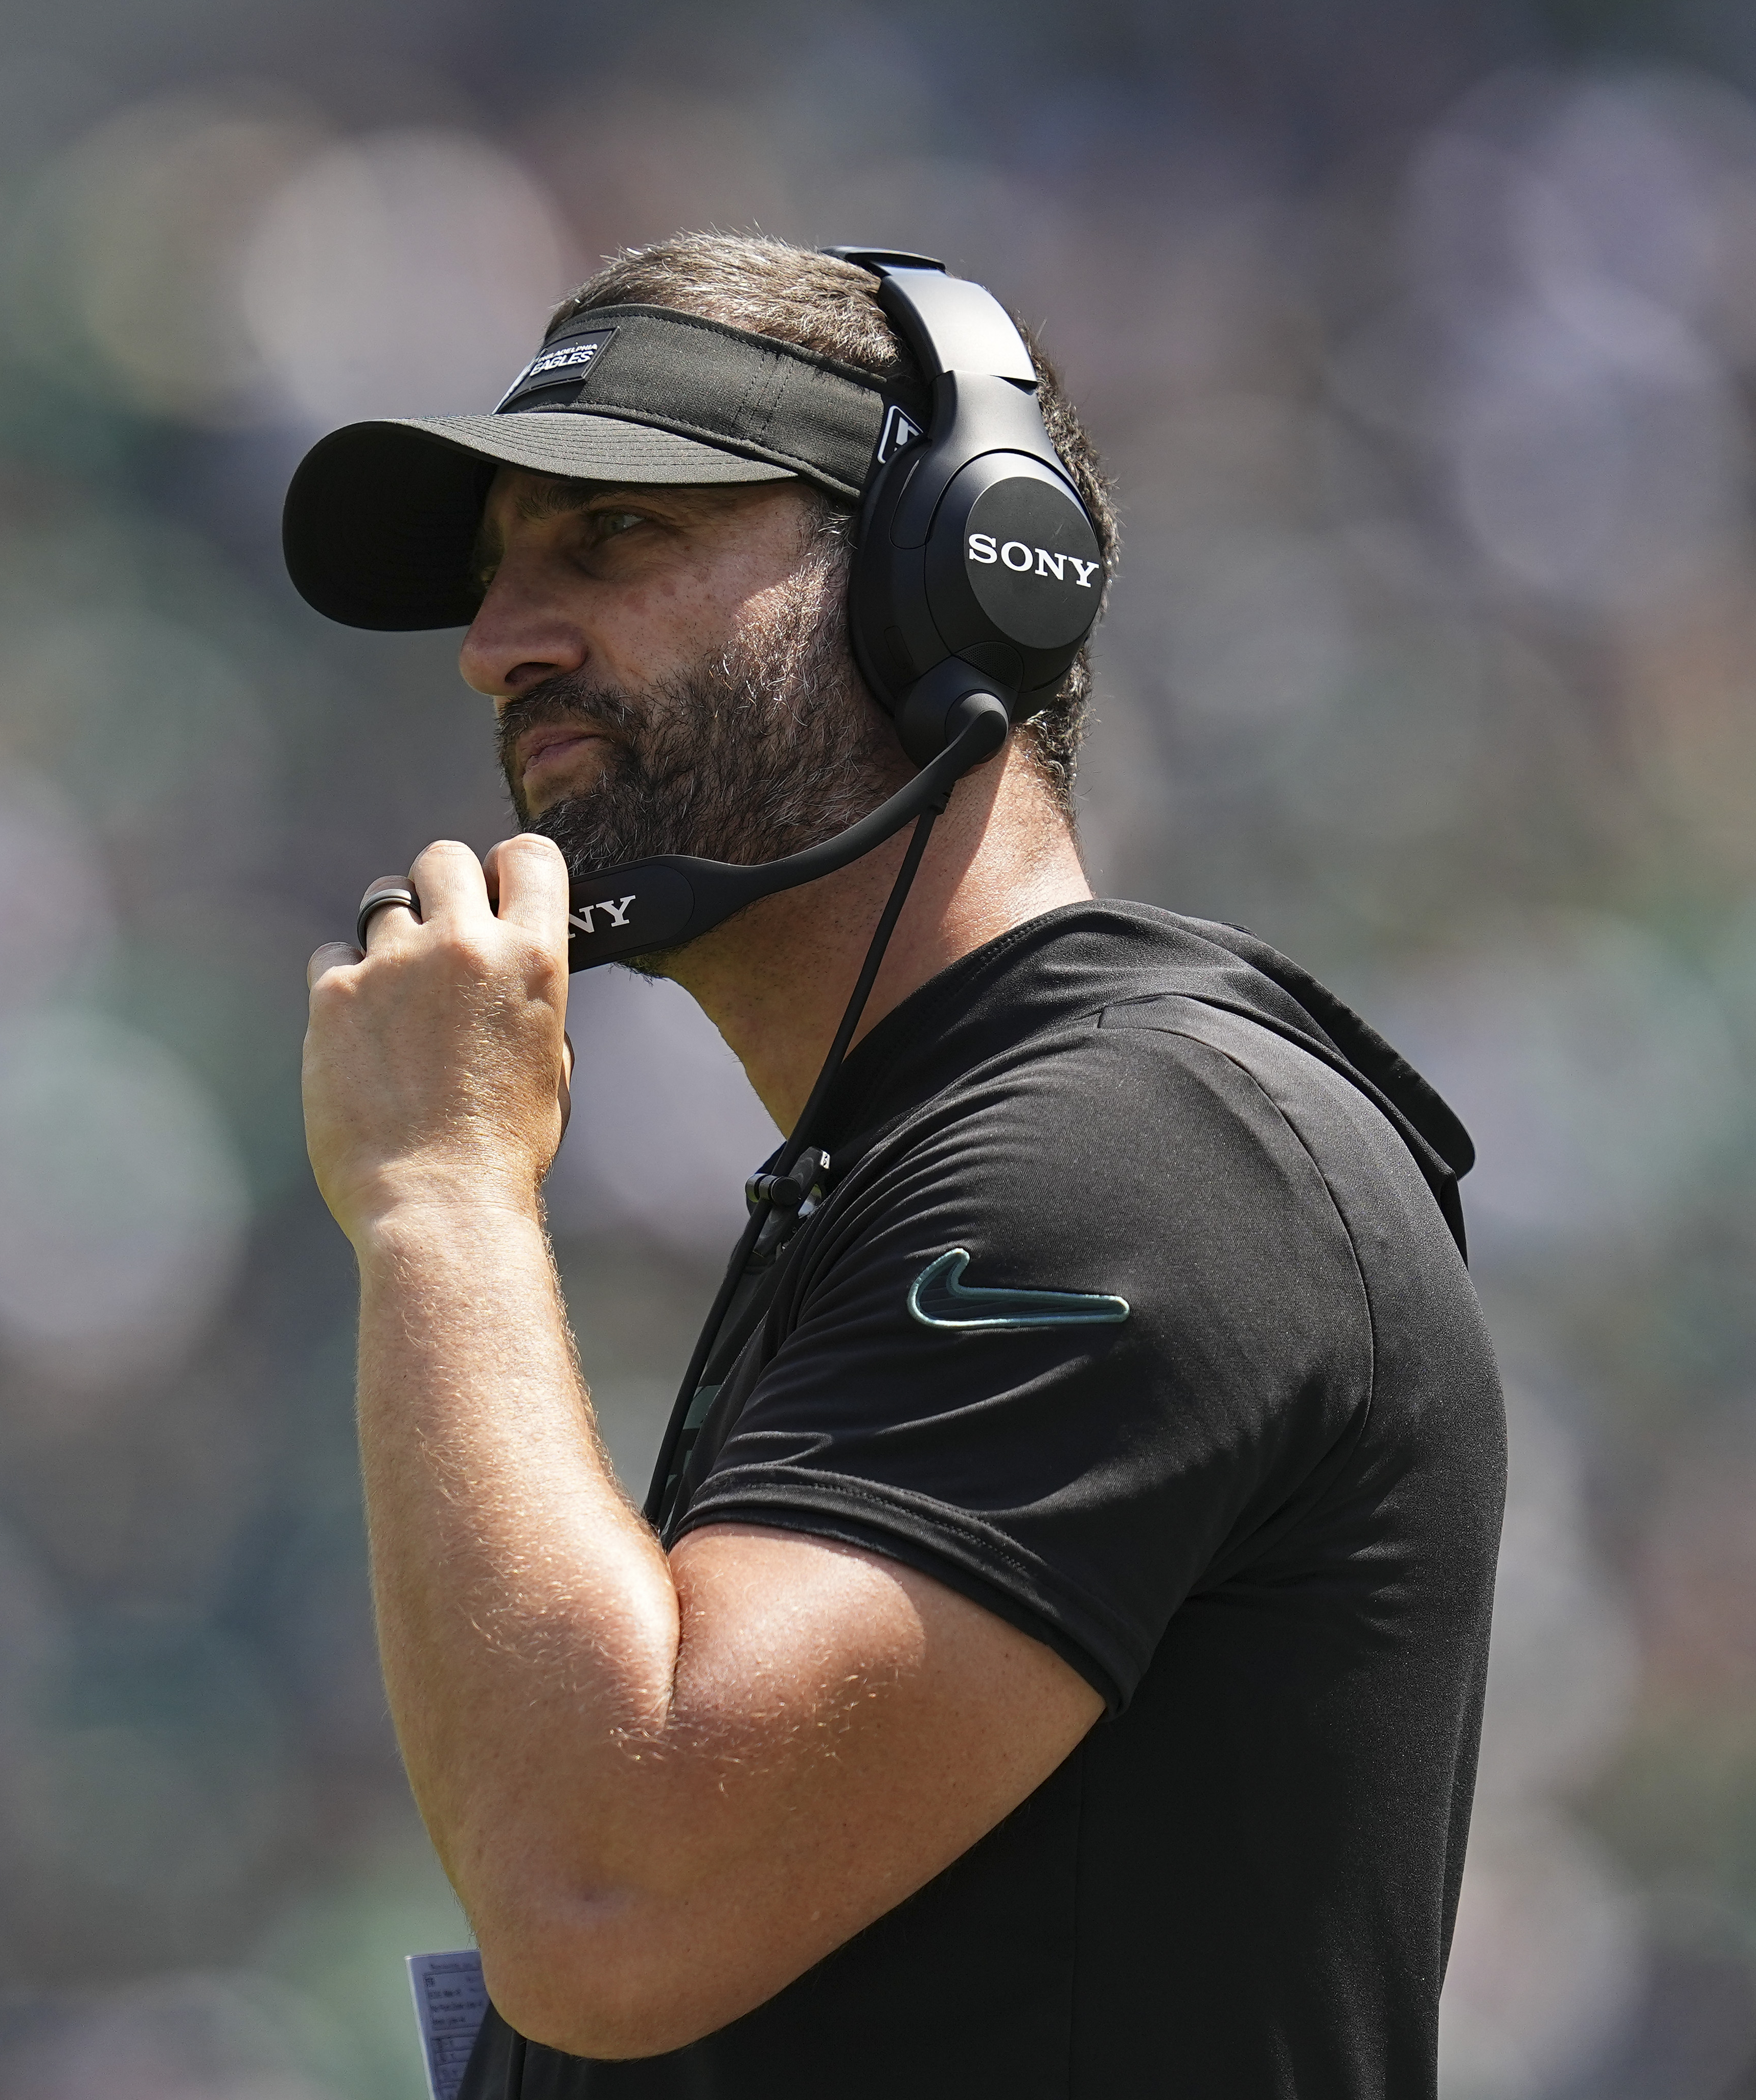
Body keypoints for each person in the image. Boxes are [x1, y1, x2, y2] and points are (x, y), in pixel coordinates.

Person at [289, 233, 1506, 2097]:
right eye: (491, 572)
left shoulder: (1135, 1156)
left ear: (959, 575)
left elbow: (607, 1898)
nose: (495, 644)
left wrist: (439, 1195)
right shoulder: (937, 1156)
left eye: (609, 540)